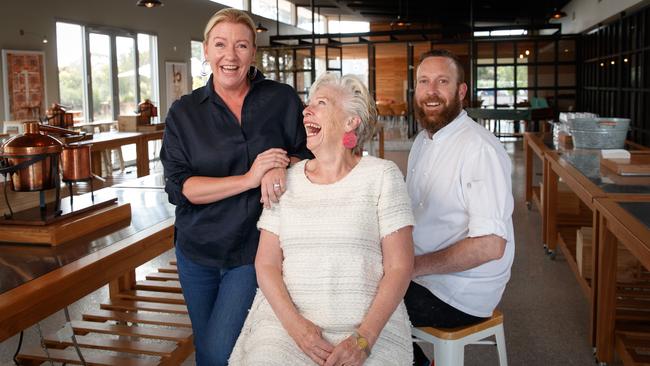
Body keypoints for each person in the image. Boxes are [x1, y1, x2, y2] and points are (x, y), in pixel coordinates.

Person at [160, 8, 312, 366]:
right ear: (207, 51)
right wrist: (249, 178)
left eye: (241, 45)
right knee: (208, 348)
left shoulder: (281, 99)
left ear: (253, 53)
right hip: (196, 252)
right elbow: (180, 187)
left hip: (254, 250)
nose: (231, 56)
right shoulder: (184, 112)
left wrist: (283, 166)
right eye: (221, 45)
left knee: (218, 352)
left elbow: (310, 156)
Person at [229, 73, 415, 366]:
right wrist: (296, 328)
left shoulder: (382, 176)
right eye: (309, 104)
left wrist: (364, 338)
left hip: (368, 329)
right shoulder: (285, 180)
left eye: (322, 103)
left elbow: (400, 265)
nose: (306, 110)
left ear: (350, 122)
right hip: (286, 326)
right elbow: (266, 263)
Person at [405, 49, 515, 365]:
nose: (431, 91)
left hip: (461, 291)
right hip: (426, 275)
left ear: (461, 91)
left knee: (362, 306)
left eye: (442, 81)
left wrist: (413, 266)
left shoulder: (478, 149)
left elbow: (490, 246)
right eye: (424, 82)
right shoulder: (423, 141)